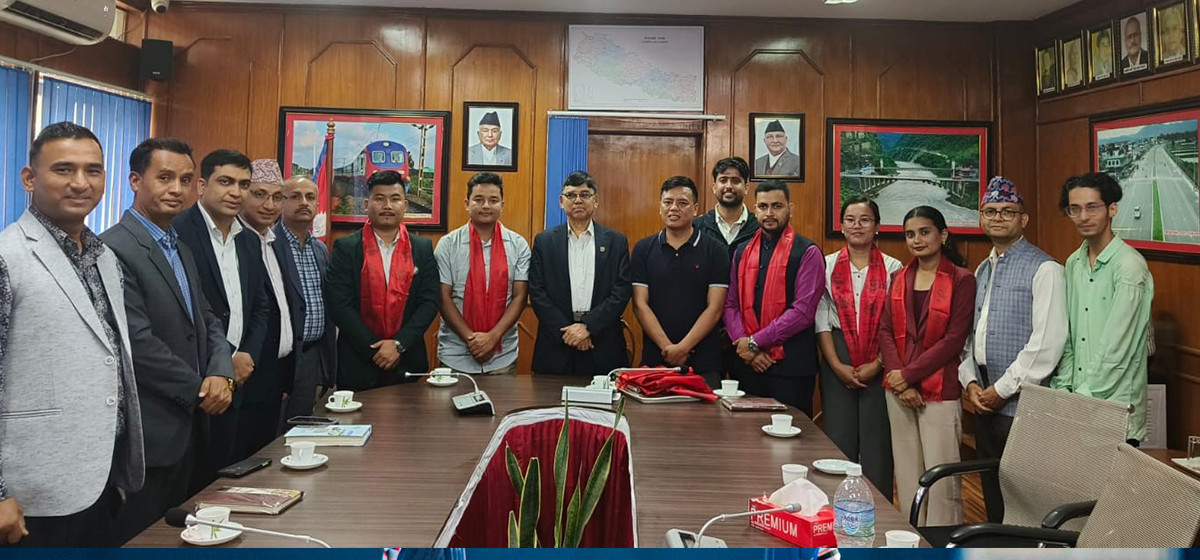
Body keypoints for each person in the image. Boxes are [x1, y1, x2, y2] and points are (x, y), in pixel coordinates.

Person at [0, 123, 144, 547]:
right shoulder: (8, 257)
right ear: (29, 178)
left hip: (101, 478)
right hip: (32, 496)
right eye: (64, 169)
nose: (81, 183)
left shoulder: (103, 257)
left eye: (93, 170)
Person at [102, 138, 234, 543]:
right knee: (143, 539)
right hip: (150, 431)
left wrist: (221, 372)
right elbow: (137, 344)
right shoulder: (113, 248)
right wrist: (201, 389)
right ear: (135, 181)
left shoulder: (178, 246)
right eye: (164, 178)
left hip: (191, 425)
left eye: (185, 179)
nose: (176, 189)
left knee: (181, 536)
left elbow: (207, 319)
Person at [959, 177, 1067, 522]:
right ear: (981, 217)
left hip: (1023, 403)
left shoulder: (1046, 269)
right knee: (992, 491)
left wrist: (1001, 390)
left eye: (1008, 211)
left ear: (1024, 219)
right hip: (983, 398)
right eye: (990, 211)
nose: (998, 217)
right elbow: (970, 335)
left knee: (1024, 500)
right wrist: (970, 383)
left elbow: (1047, 343)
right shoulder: (982, 268)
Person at [172, 149, 270, 489]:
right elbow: (187, 312)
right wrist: (227, 358)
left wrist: (247, 354)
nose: (236, 192)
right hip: (198, 379)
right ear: (202, 186)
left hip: (241, 377)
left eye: (244, 185)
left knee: (227, 476)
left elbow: (260, 306)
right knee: (193, 484)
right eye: (226, 182)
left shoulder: (249, 240)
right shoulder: (178, 233)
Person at [878, 205, 975, 526]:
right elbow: (885, 330)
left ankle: (942, 542)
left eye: (924, 232)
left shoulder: (962, 280)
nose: (916, 240)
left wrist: (907, 375)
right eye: (910, 234)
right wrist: (900, 381)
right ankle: (912, 539)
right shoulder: (898, 278)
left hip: (940, 390)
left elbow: (954, 339)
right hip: (898, 392)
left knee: (941, 479)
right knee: (908, 476)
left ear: (943, 235)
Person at [1053, 172, 1153, 446]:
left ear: (1112, 209)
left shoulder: (1129, 266)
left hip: (1114, 411)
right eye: (1075, 209)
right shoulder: (1074, 262)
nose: (1083, 216)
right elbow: (1068, 335)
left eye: (1092, 207)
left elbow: (1118, 348)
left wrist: (1084, 397)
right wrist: (1063, 390)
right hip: (1075, 406)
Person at [815, 197, 902, 500]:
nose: (857, 226)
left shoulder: (893, 267)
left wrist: (878, 363)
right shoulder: (826, 265)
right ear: (841, 226)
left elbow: (895, 322)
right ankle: (837, 507)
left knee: (878, 442)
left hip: (881, 355)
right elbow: (821, 319)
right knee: (838, 438)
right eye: (850, 220)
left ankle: (879, 509)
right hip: (837, 352)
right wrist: (836, 365)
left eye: (865, 220)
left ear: (877, 226)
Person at [328, 171, 439, 388]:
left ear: (405, 205)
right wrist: (375, 348)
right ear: (366, 204)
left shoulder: (422, 248)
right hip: (358, 361)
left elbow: (429, 301)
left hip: (408, 360)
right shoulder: (346, 248)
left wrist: (398, 344)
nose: (387, 205)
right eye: (379, 199)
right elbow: (339, 304)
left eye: (395, 199)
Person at [724, 180, 825, 416]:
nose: (769, 213)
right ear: (755, 210)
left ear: (790, 208)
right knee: (745, 434)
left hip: (791, 370)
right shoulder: (741, 251)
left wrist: (754, 342)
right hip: (748, 366)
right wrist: (745, 346)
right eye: (763, 206)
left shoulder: (807, 252)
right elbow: (730, 305)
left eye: (777, 206)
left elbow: (802, 312)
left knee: (792, 435)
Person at [528, 171, 632, 376]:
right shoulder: (544, 241)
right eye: (571, 195)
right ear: (561, 201)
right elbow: (537, 291)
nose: (578, 200)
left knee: (604, 397)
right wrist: (569, 333)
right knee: (551, 397)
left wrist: (588, 327)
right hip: (557, 343)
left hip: (602, 342)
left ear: (596, 201)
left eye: (584, 194)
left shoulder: (616, 241)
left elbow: (621, 291)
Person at [631, 176, 730, 388]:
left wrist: (683, 348)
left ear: (695, 209)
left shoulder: (716, 250)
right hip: (656, 360)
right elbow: (640, 305)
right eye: (668, 202)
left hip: (704, 363)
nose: (674, 208)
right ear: (660, 206)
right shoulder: (643, 249)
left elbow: (715, 308)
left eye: (682, 203)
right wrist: (668, 348)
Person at [233, 159, 300, 459]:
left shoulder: (275, 242)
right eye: (259, 194)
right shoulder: (233, 242)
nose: (269, 205)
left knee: (264, 459)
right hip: (245, 373)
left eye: (277, 197)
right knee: (239, 460)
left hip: (274, 373)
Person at [436, 172, 529, 375]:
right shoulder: (448, 245)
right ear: (467, 203)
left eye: (493, 200)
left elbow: (520, 297)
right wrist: (473, 340)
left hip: (502, 356)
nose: (486, 206)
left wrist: (492, 337)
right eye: (478, 199)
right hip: (455, 354)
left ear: (502, 205)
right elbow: (443, 298)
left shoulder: (518, 245)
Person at [277, 175, 337, 417]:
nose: (304, 202)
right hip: (282, 357)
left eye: (310, 197)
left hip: (313, 353)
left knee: (300, 423)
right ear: (281, 201)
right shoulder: (270, 244)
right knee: (275, 425)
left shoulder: (319, 249)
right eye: (295, 196)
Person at [694, 156, 760, 257]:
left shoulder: (759, 227)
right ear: (714, 187)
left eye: (736, 181)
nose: (728, 186)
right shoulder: (697, 227)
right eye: (723, 180)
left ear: (746, 188)